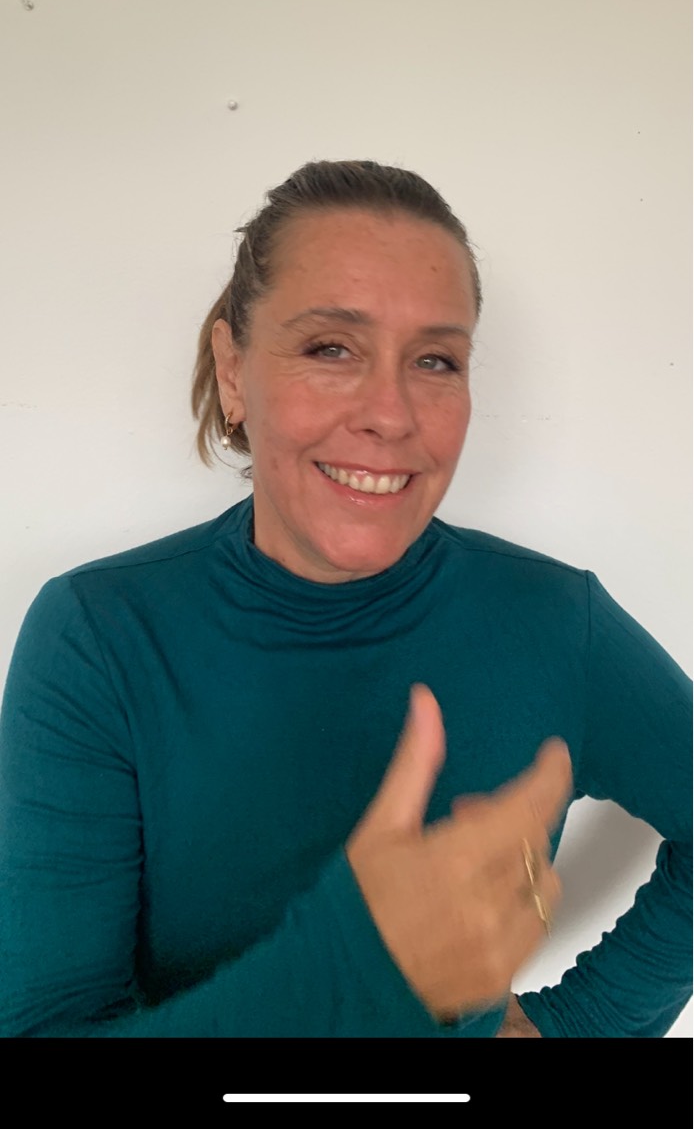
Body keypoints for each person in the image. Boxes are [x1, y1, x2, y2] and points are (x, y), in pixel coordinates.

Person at [0, 159, 690, 1039]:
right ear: (234, 369)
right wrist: (359, 968)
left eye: (435, 360)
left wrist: (581, 1022)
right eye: (331, 348)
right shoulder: (97, 637)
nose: (390, 414)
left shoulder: (560, 624)